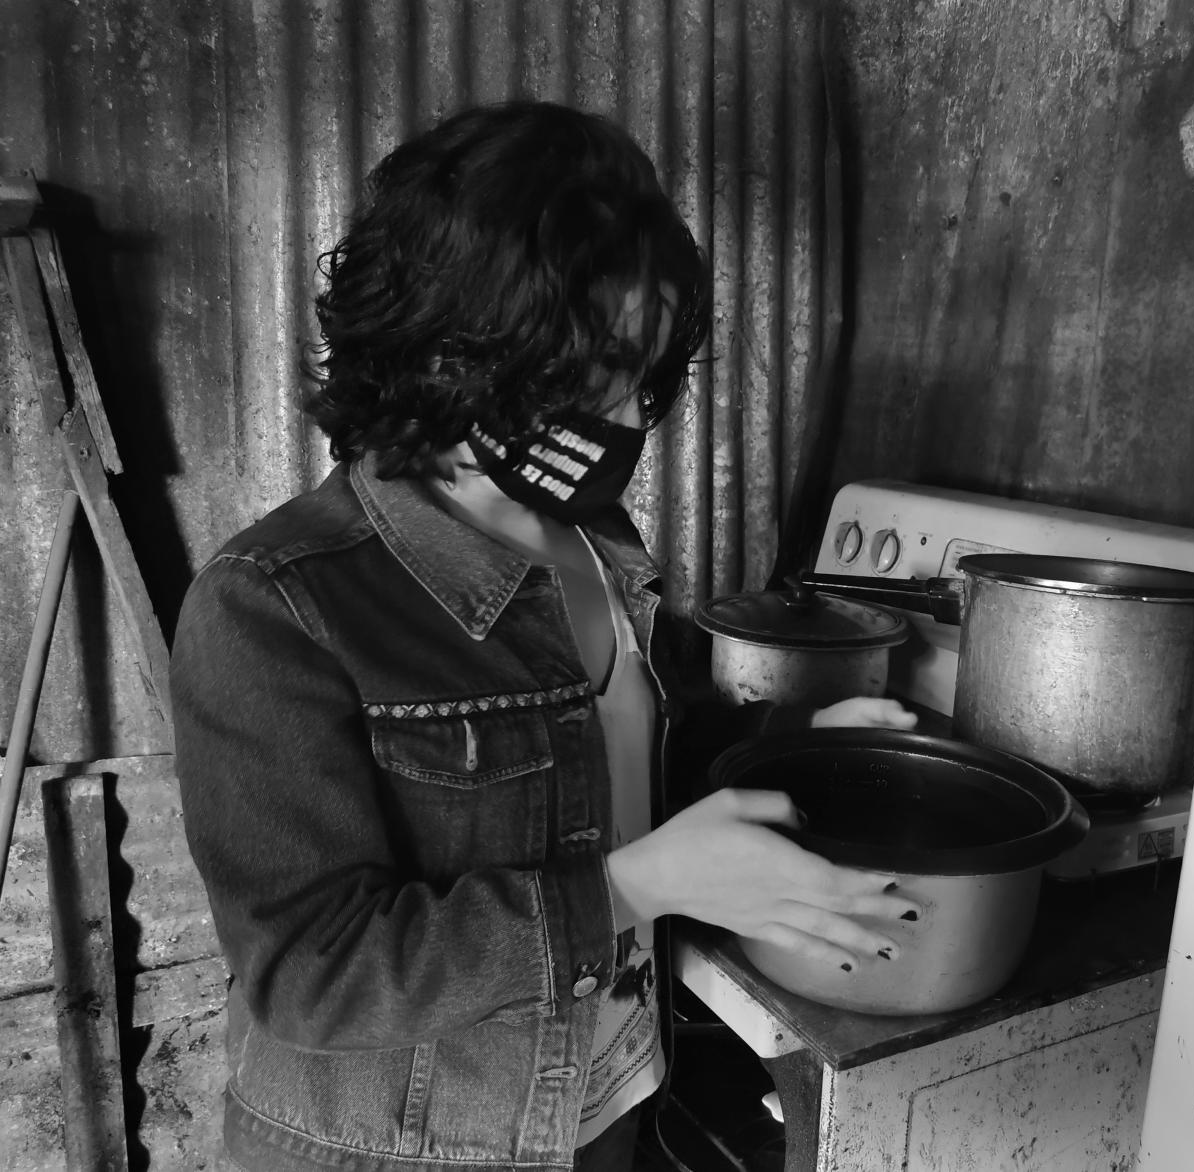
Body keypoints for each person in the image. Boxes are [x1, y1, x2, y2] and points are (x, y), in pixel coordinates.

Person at [171, 100, 920, 1172]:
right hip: (408, 1149)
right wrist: (633, 888)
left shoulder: (595, 534)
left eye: (640, 370)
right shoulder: (275, 603)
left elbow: (605, 759)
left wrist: (797, 736)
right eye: (588, 365)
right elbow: (310, 972)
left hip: (604, 1098)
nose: (618, 411)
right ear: (446, 343)